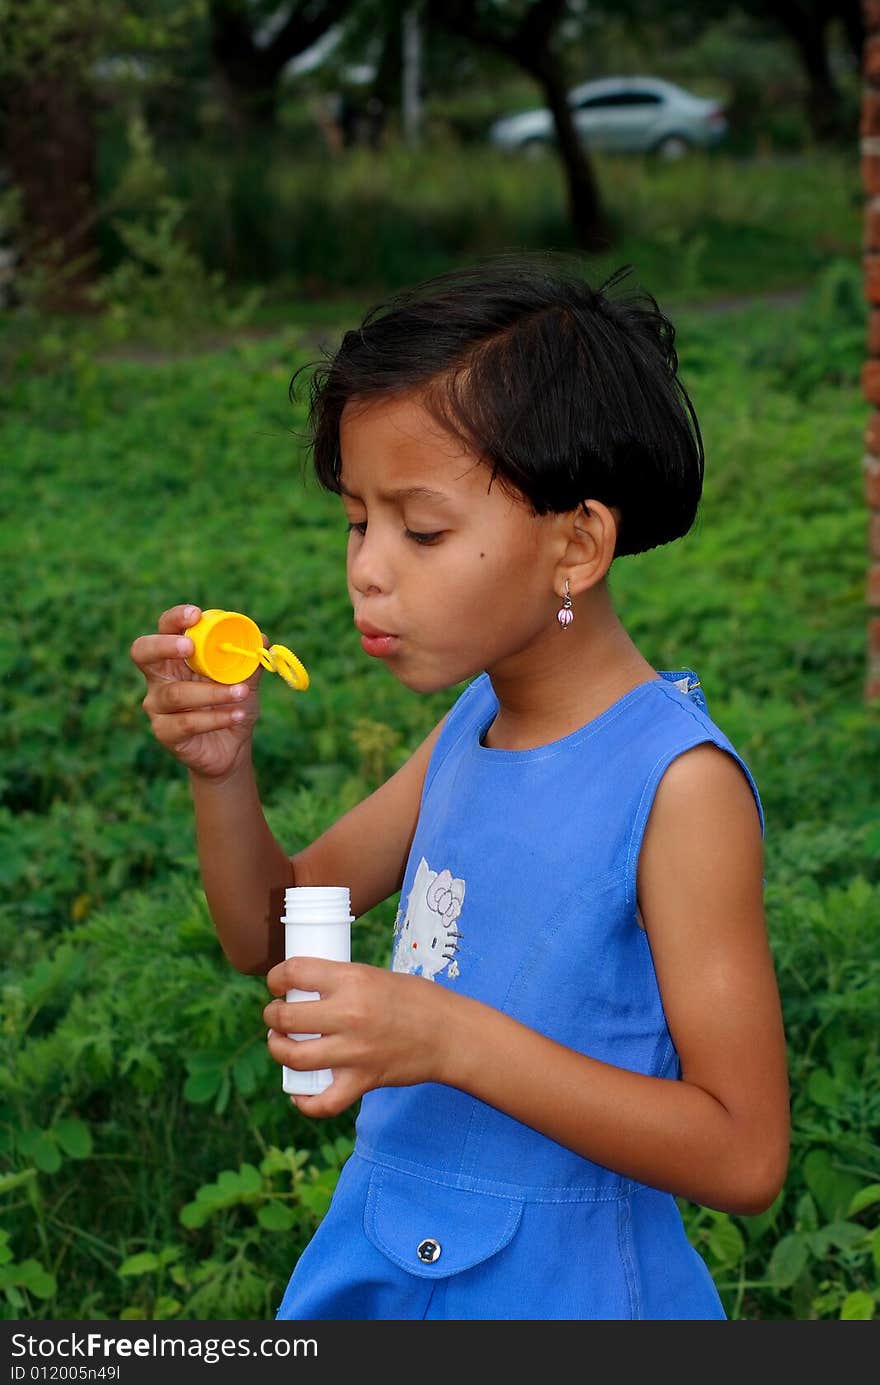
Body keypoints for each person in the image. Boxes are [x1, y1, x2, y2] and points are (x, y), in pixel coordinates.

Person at [130, 252, 790, 1320]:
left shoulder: (675, 786)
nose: (366, 568)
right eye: (357, 519)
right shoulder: (470, 729)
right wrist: (222, 771)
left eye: (420, 529)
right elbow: (272, 927)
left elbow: (744, 1151)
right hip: (390, 1260)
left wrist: (444, 1036)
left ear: (576, 543)